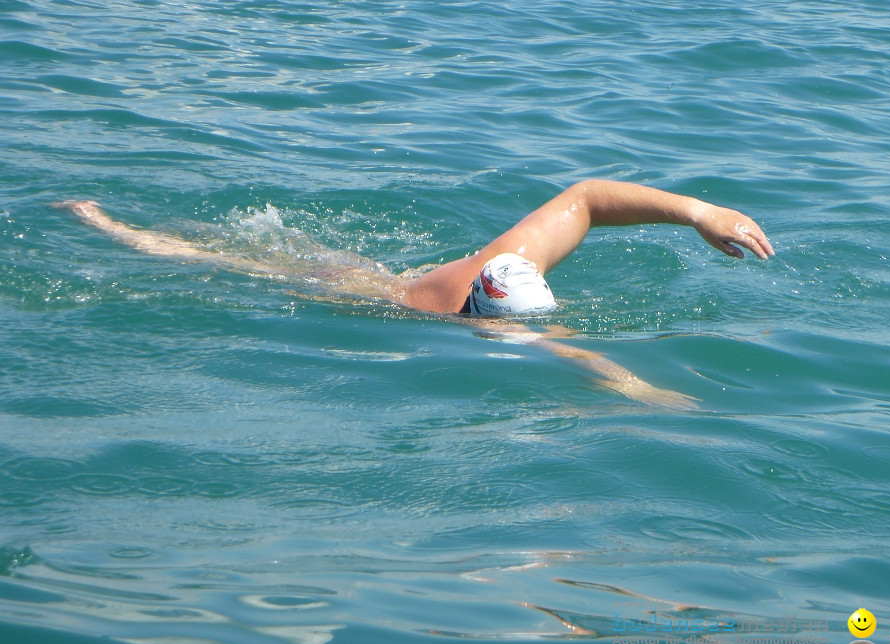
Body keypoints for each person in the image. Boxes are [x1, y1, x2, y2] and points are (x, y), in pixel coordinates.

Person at [56, 180, 773, 407]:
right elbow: (577, 360)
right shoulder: (458, 309)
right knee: (237, 262)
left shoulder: (508, 262)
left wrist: (699, 213)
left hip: (384, 271)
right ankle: (108, 224)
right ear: (482, 320)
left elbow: (585, 198)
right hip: (358, 292)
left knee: (283, 248)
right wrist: (640, 389)